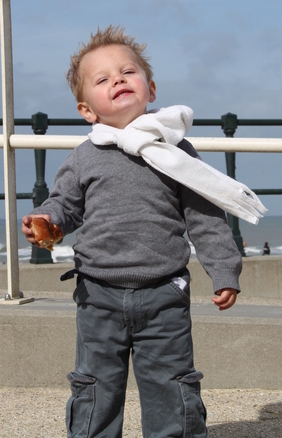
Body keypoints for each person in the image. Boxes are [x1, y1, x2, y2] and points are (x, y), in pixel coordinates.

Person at [22, 25, 261, 438]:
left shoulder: (176, 154)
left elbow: (204, 217)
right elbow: (65, 204)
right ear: (87, 110)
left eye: (127, 72)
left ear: (150, 87)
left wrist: (224, 271)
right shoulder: (84, 157)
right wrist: (49, 221)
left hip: (164, 292)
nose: (117, 79)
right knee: (94, 389)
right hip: (97, 293)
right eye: (102, 79)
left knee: (172, 388)